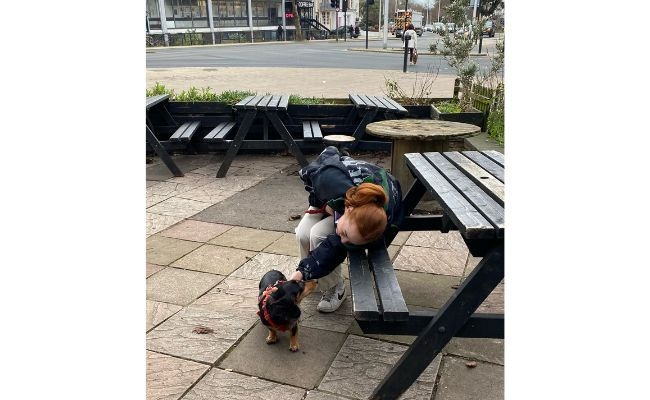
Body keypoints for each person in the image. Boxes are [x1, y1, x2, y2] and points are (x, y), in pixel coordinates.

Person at [289, 146, 404, 312]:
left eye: (350, 240)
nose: (343, 240)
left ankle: (333, 286)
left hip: (352, 201)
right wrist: (326, 203)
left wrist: (300, 272)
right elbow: (313, 179)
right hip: (333, 192)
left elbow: (335, 247)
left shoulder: (385, 222)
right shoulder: (328, 180)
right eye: (344, 234)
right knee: (303, 233)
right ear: (347, 209)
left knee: (318, 235)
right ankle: (312, 277)